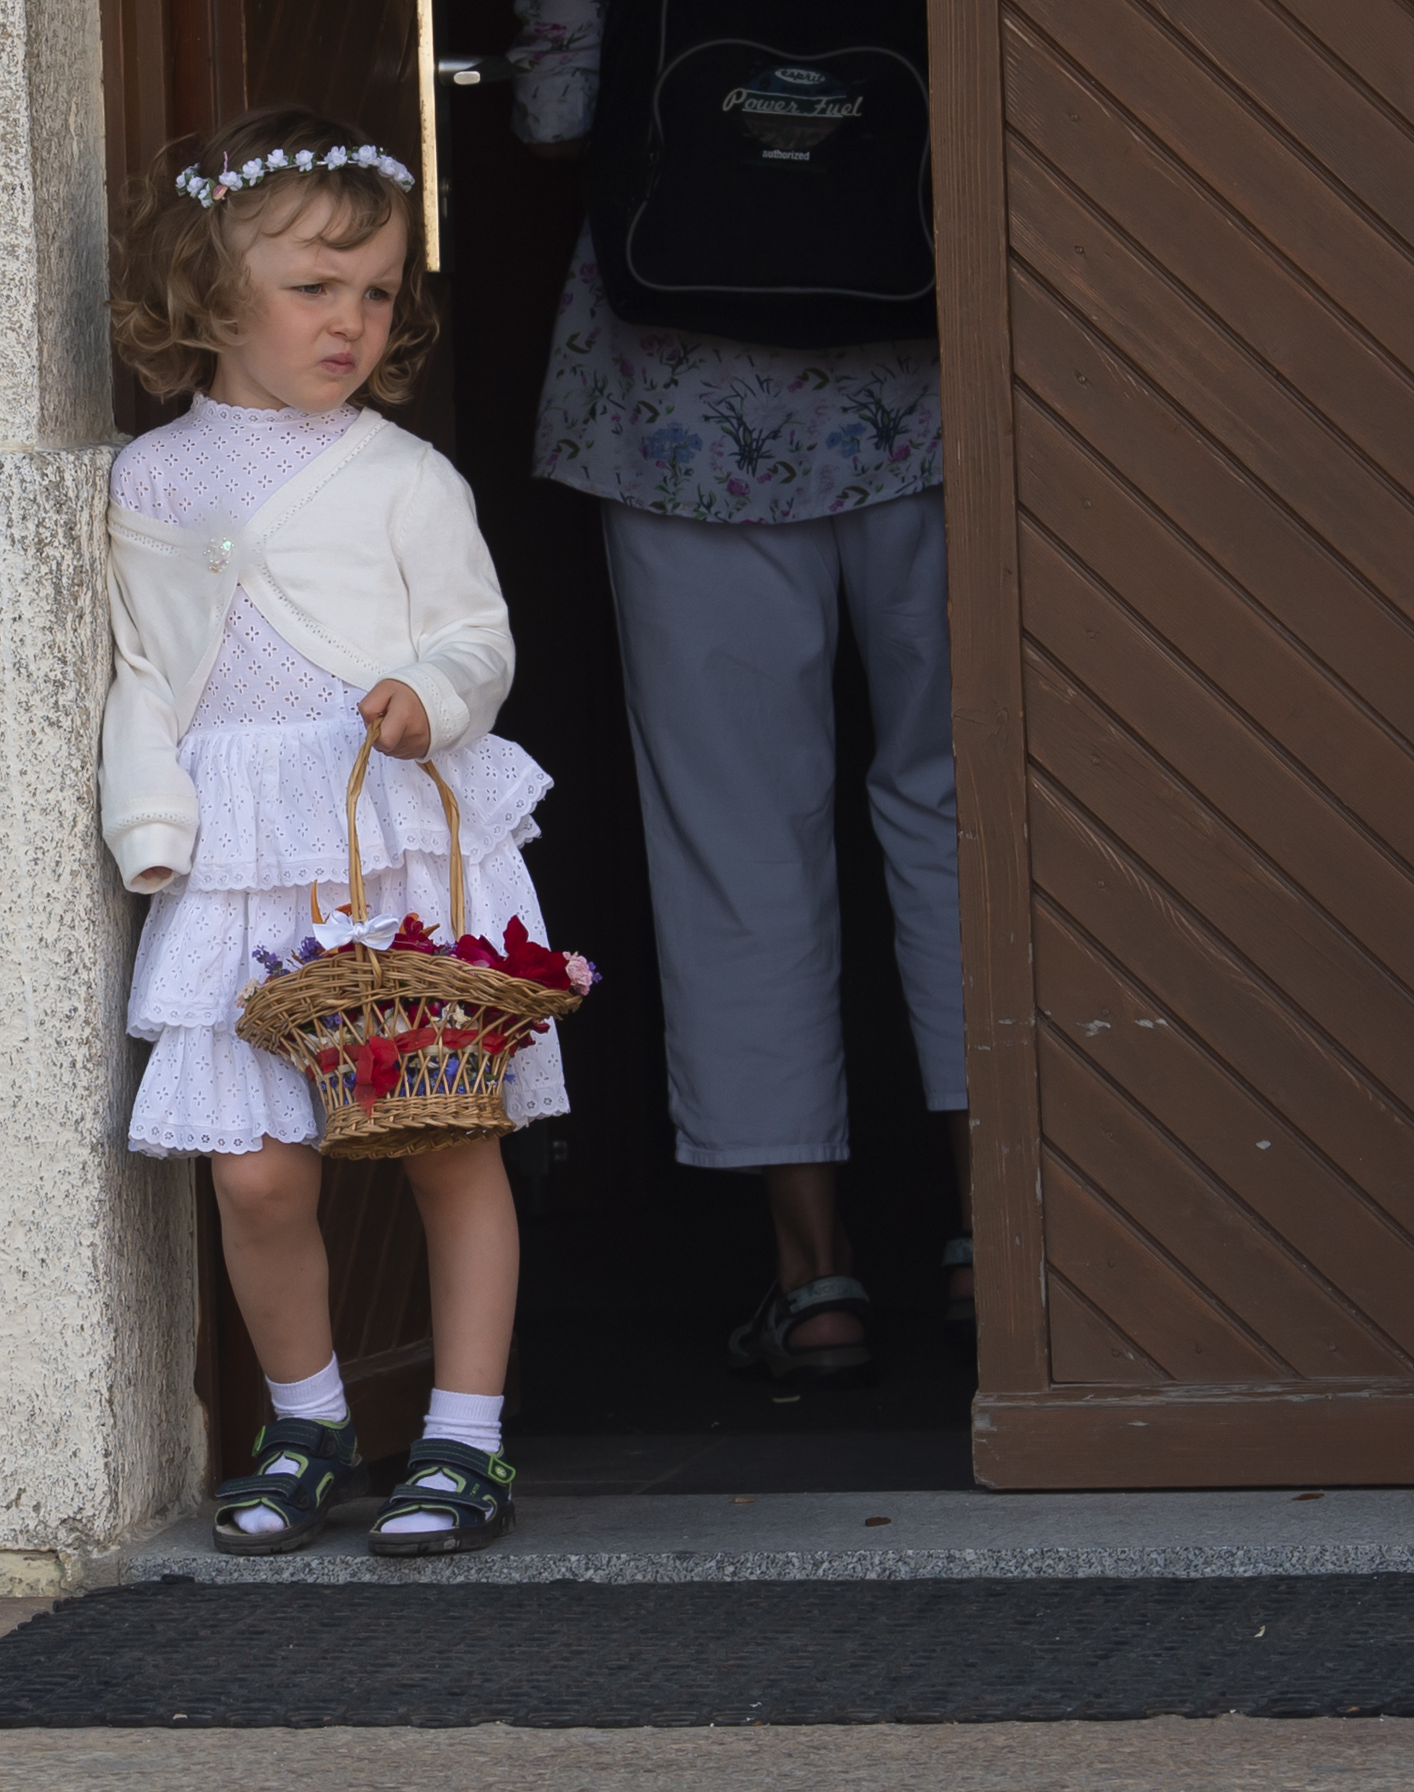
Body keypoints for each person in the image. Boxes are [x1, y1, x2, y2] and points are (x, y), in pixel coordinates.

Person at [100, 108, 559, 1559]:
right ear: (208, 285)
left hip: (390, 840)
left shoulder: (404, 476)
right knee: (257, 1168)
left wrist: (431, 696)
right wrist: (152, 817)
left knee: (441, 1135)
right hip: (242, 850)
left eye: (375, 293)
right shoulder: (149, 479)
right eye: (314, 287)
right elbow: (143, 670)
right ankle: (306, 1419)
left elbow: (478, 637)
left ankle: (466, 1439)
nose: (351, 321)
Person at [509, 0, 971, 1383]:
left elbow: (549, 112)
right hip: (938, 380)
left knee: (737, 838)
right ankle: (994, 1247)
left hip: (679, 410)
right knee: (965, 816)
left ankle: (810, 1273)